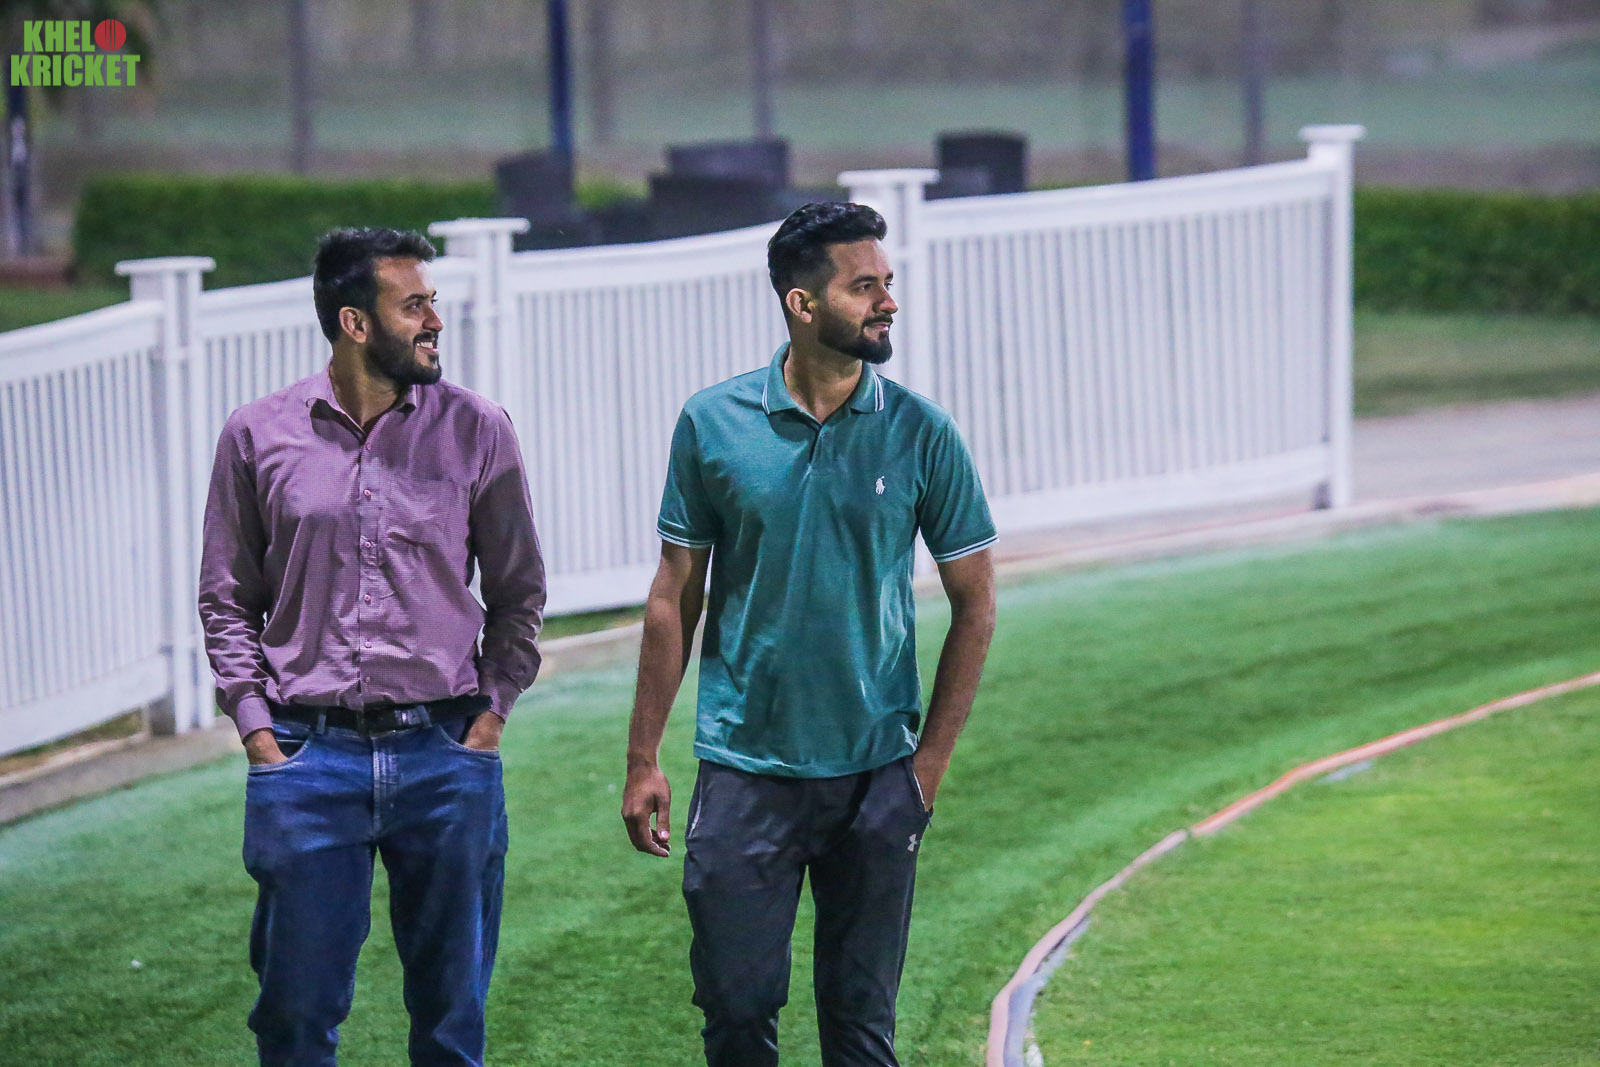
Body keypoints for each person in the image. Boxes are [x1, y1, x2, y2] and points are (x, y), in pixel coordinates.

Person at [621, 202, 998, 1067]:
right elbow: (674, 594)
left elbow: (976, 603)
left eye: (887, 283)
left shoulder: (923, 431)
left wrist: (926, 770)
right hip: (744, 769)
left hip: (876, 775)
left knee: (861, 1026)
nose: (887, 302)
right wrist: (643, 757)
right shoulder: (712, 422)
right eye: (864, 286)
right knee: (735, 1008)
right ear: (802, 302)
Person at [198, 227, 546, 1067]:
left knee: (452, 1020)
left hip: (446, 753)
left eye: (432, 301)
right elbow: (226, 597)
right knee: (293, 1016)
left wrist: (490, 715)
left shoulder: (477, 428)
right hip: (305, 759)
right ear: (355, 323)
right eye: (413, 304)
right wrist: (257, 729)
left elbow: (519, 592)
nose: (435, 320)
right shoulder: (256, 434)